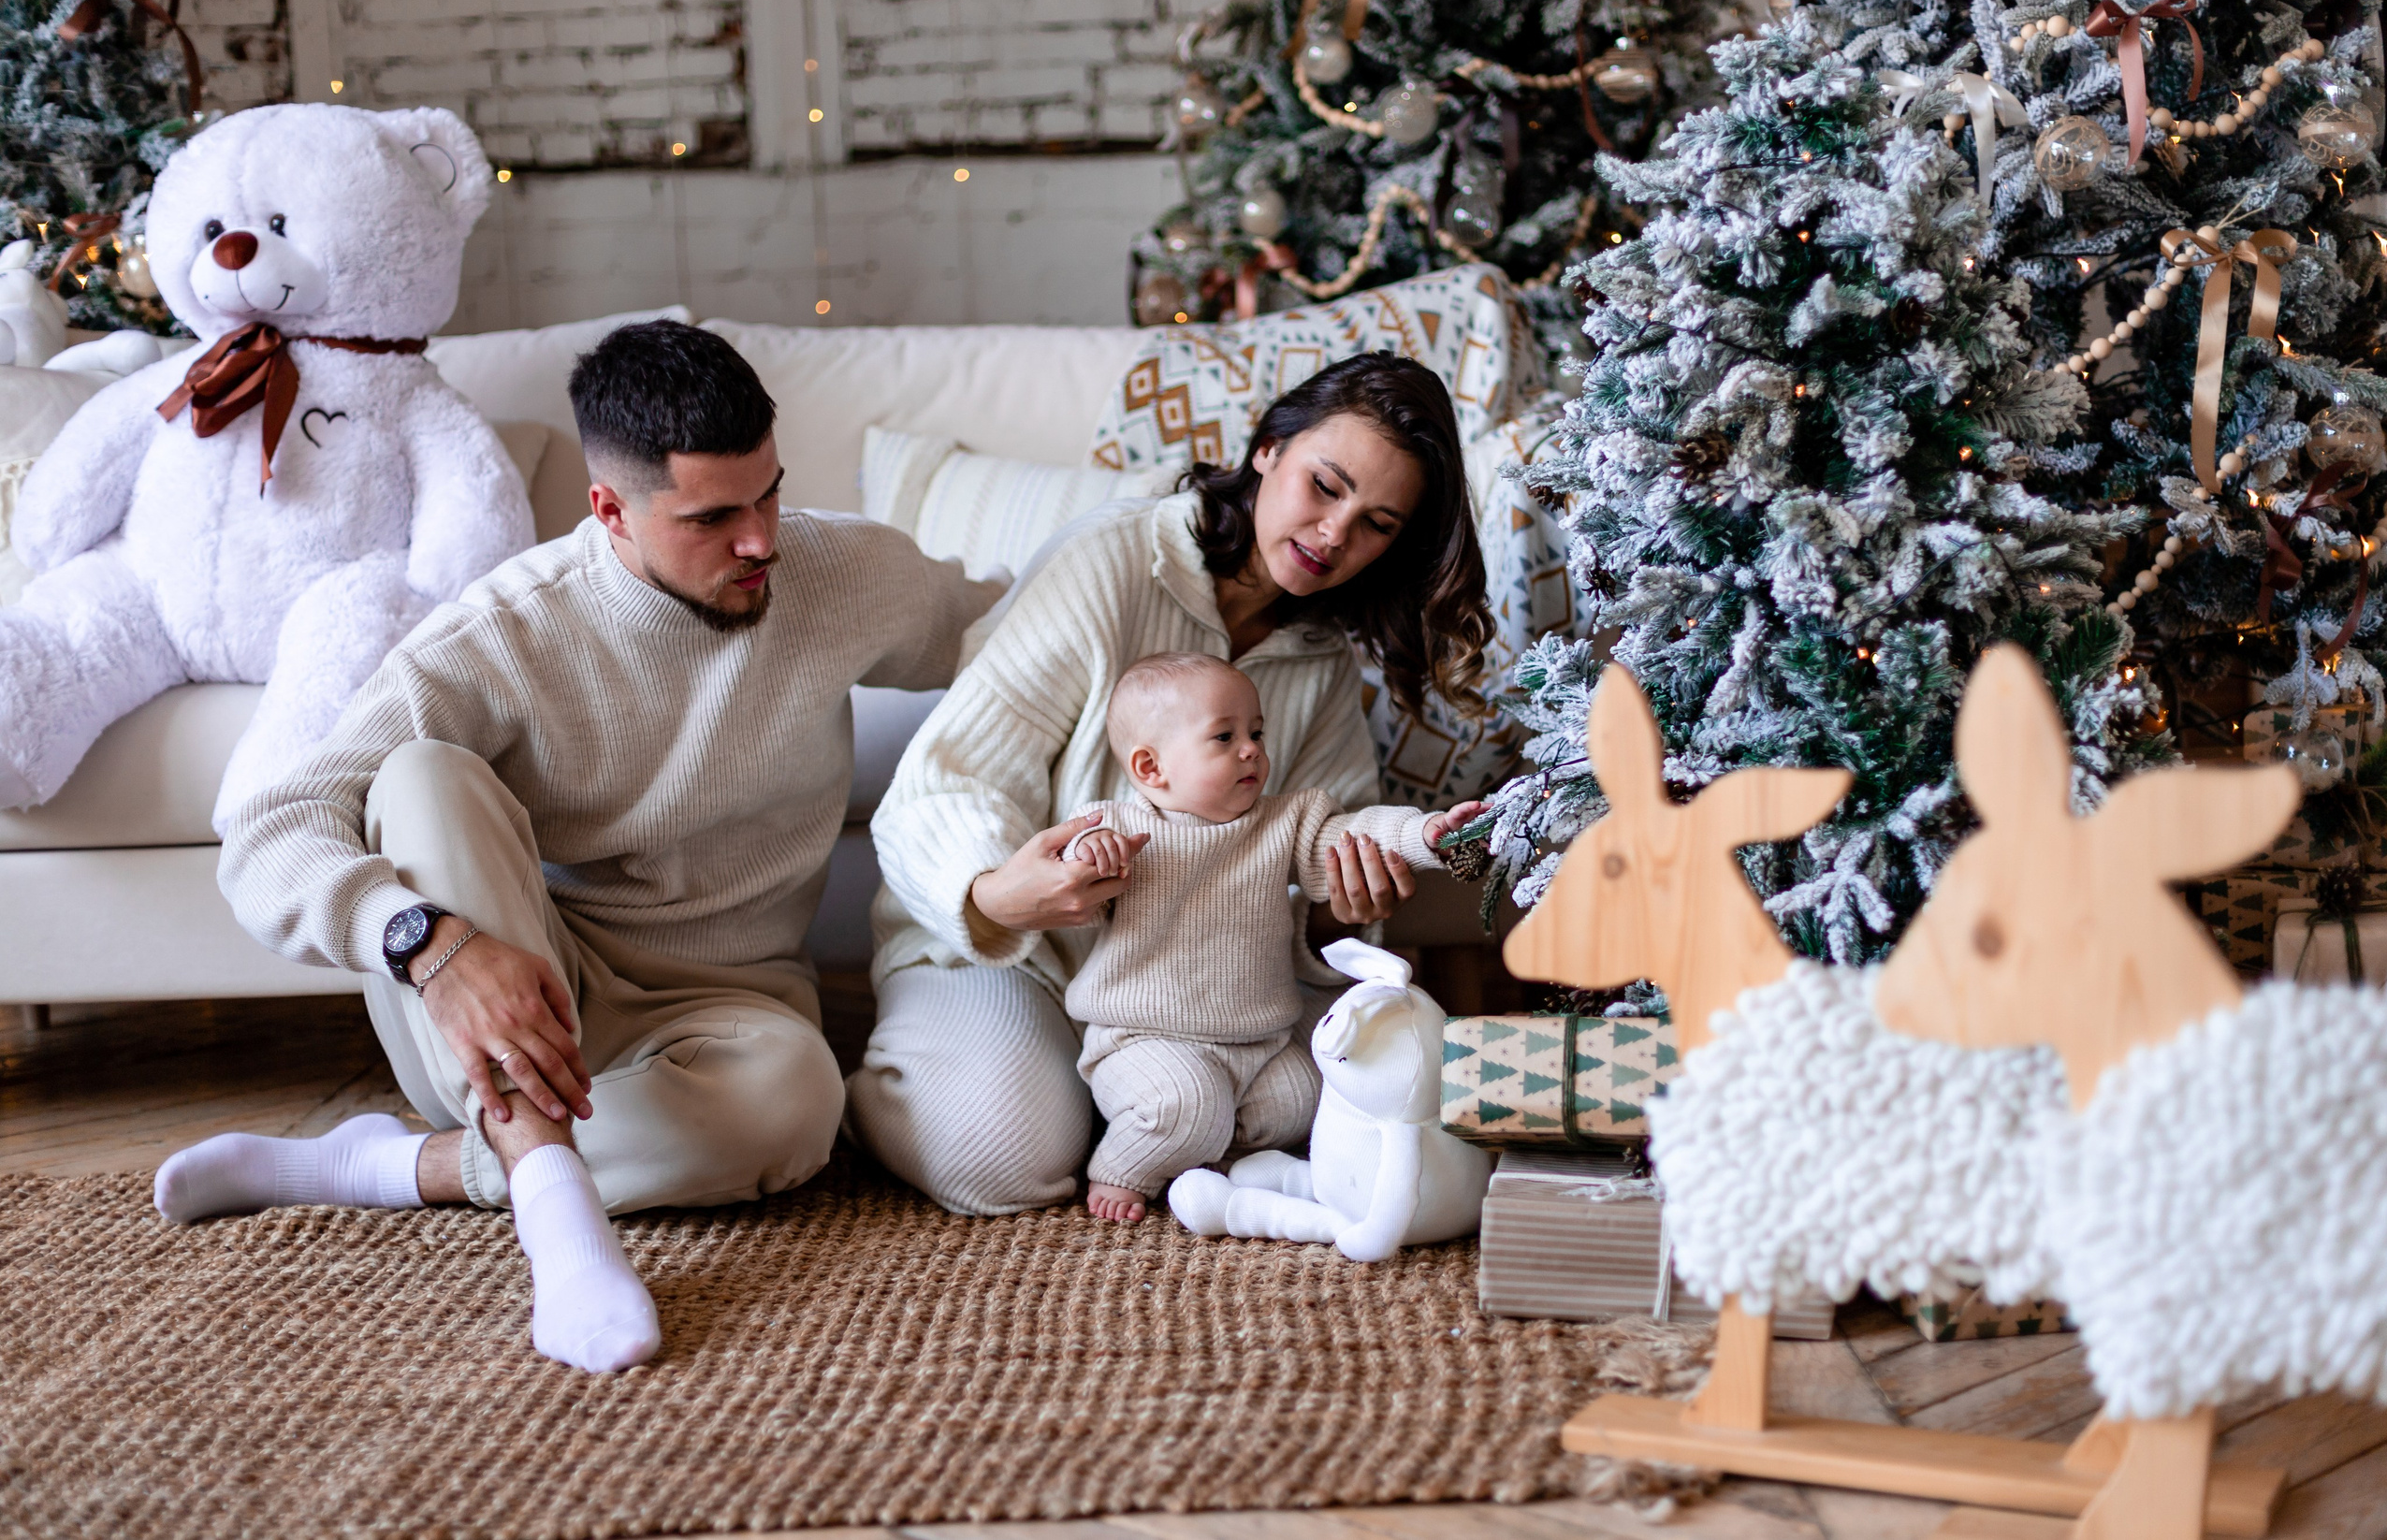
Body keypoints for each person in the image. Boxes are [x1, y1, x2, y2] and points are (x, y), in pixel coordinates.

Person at [173, 320, 1002, 1373]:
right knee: (424, 776)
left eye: (769, 494)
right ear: (609, 509)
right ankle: (561, 1231)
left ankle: (408, 1169)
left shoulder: (837, 573)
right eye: (711, 518)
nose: (759, 542)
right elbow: (269, 833)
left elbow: (1011, 634)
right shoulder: (505, 635)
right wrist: (429, 945)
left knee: (800, 1106)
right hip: (509, 1005)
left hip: (725, 1024)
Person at [853, 350, 1493, 1216]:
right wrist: (999, 893)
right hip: (1020, 954)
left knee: (1338, 1098)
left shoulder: (1324, 662)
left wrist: (1341, 901)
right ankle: (893, 1092)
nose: (1336, 533)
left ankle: (1131, 1105)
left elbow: (1319, 854)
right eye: (1324, 484)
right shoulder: (1113, 563)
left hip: (1208, 1001)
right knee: (1002, 1163)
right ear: (1269, 447)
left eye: (1377, 522)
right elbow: (955, 767)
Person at [1060, 650, 1480, 1222]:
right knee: (1181, 1106)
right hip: (1145, 1039)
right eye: (1224, 737)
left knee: (1311, 1095)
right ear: (1151, 769)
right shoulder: (1121, 829)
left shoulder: (1283, 822)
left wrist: (1422, 834)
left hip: (1260, 1041)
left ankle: (1223, 1153)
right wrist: (1086, 856)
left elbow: (1353, 835)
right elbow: (1069, 877)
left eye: (1255, 732)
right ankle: (1121, 1169)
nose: (1251, 748)